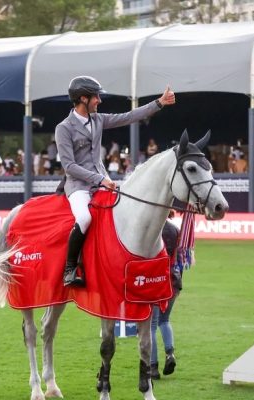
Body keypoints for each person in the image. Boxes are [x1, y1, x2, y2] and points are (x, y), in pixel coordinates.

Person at [56, 76, 175, 286]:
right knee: (84, 218)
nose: (99, 101)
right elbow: (69, 167)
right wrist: (100, 179)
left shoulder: (98, 119)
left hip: (103, 181)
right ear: (83, 98)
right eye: (96, 97)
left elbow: (129, 116)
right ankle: (70, 269)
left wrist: (159, 103)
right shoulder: (64, 128)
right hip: (78, 186)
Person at [150, 211, 182, 379]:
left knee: (151, 326)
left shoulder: (152, 230)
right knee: (165, 320)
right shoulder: (174, 230)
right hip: (173, 281)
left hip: (156, 281)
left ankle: (153, 367)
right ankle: (170, 354)